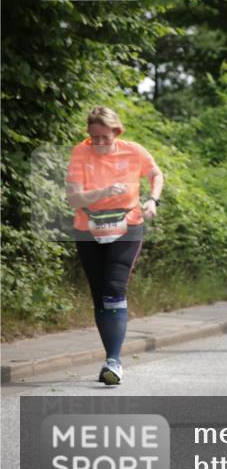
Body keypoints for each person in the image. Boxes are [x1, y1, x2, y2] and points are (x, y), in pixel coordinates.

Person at [66, 106, 164, 385]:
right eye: (93, 137)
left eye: (104, 138)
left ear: (116, 132)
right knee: (100, 294)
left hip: (127, 226)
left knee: (114, 287)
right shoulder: (79, 153)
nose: (98, 143)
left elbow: (156, 174)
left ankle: (114, 361)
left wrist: (152, 201)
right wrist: (103, 192)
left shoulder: (133, 151)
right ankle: (111, 356)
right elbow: (74, 199)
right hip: (88, 230)